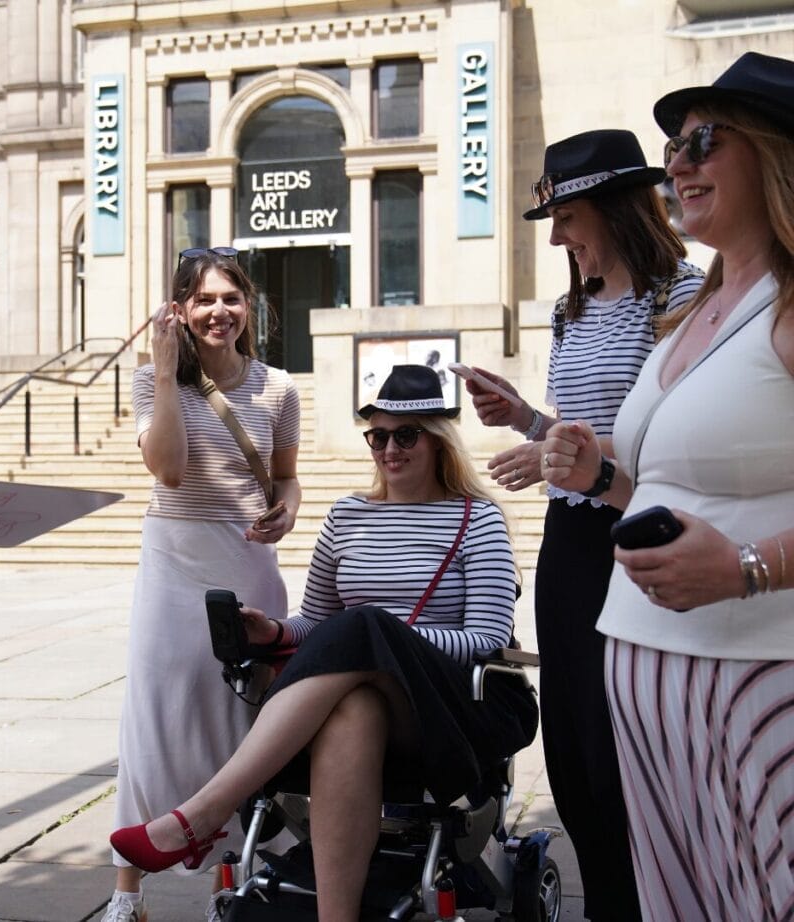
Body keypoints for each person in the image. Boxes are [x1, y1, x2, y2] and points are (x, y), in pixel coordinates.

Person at [110, 365, 539, 922]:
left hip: (451, 709)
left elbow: (485, 639)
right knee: (354, 707)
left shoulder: (478, 519)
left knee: (365, 625)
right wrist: (276, 632)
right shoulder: (346, 515)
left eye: (406, 435)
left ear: (437, 440)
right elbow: (317, 622)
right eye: (378, 436)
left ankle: (205, 811)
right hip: (373, 700)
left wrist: (389, 638)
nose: (390, 449)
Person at [541, 51, 794, 921]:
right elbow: (667, 485)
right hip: (653, 678)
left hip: (755, 684)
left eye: (703, 141)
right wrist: (599, 473)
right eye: (673, 147)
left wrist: (749, 567)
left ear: (778, 153)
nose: (678, 165)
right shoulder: (700, 310)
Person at [462, 129, 703, 920]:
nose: (557, 238)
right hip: (569, 541)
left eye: (566, 218)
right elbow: (575, 433)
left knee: (622, 746)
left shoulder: (683, 295)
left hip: (639, 530)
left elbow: (675, 438)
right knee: (570, 743)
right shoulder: (572, 310)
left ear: (612, 207)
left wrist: (563, 453)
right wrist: (525, 419)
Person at [103, 249, 302, 922]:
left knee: (242, 722)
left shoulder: (279, 388)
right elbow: (169, 470)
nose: (220, 311)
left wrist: (289, 509)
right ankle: (127, 892)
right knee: (154, 719)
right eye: (204, 299)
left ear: (249, 305)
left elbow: (285, 477)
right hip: (173, 562)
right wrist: (165, 372)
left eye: (231, 298)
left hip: (248, 564)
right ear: (181, 309)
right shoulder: (150, 380)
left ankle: (230, 880)